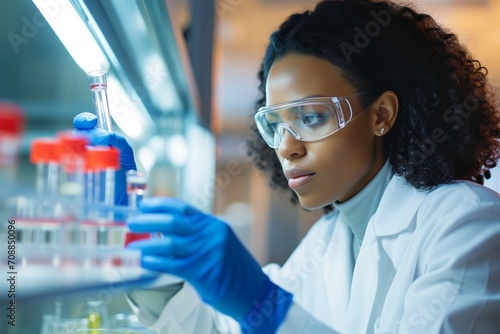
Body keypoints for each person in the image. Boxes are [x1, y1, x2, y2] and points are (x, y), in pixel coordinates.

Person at [73, 0, 500, 332]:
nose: (288, 147)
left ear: (382, 114)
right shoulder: (327, 242)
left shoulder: (467, 223)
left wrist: (265, 305)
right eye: (275, 124)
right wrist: (148, 255)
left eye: (311, 117)